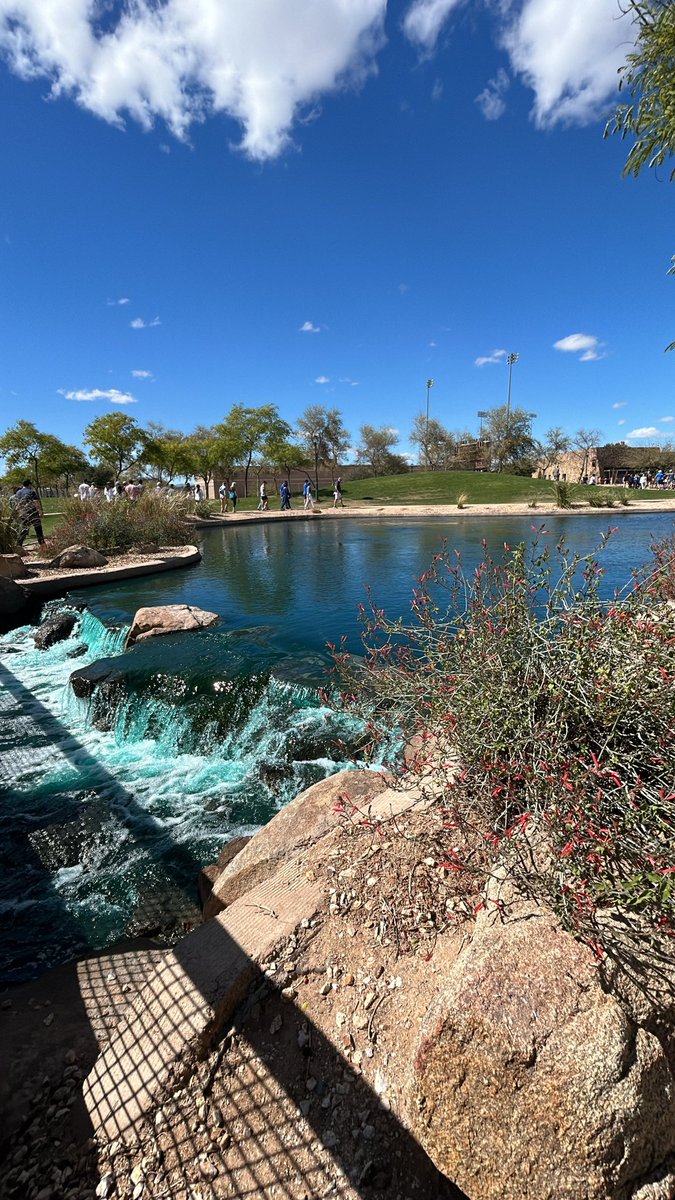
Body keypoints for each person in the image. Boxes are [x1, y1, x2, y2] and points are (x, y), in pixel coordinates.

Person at [12, 480, 45, 546]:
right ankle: (42, 544)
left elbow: (17, 504)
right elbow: (36, 502)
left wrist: (18, 512)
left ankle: (19, 544)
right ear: (29, 485)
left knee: (24, 529)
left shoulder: (18, 492)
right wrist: (41, 512)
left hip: (24, 513)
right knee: (38, 528)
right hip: (33, 512)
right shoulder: (31, 491)